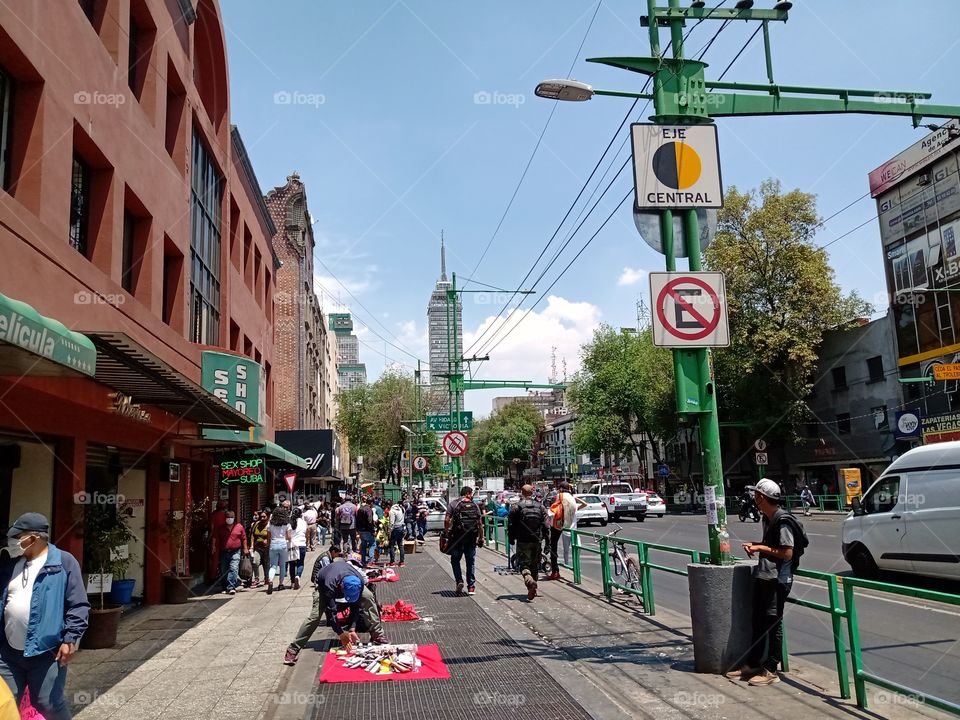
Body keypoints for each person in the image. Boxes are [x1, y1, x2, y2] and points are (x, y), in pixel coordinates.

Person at [0, 513, 89, 719]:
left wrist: (71, 639)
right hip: (8, 652)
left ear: (34, 537)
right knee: (5, 702)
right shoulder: (10, 564)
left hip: (47, 652)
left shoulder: (64, 563)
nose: (13, 542)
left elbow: (78, 604)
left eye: (18, 537)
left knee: (48, 704)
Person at [726, 478, 796, 686]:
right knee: (758, 620)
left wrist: (759, 548)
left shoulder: (782, 520)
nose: (754, 499)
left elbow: (787, 552)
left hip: (779, 579)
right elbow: (770, 545)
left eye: (756, 496)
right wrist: (756, 545)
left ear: (761, 498)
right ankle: (753, 663)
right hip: (766, 575)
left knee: (773, 623)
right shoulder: (767, 518)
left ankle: (771, 669)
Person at [283, 552, 387, 666]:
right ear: (342, 586)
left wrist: (352, 629)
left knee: (368, 597)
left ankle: (377, 634)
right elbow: (331, 613)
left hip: (345, 578)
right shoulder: (330, 584)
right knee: (315, 617)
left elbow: (355, 606)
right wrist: (341, 634)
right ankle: (293, 649)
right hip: (323, 585)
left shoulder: (359, 582)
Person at [509, 485, 547, 601]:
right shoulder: (540, 507)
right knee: (535, 565)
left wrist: (511, 538)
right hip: (537, 540)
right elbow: (546, 526)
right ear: (532, 492)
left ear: (522, 493)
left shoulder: (516, 507)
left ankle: (529, 580)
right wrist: (548, 543)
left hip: (522, 540)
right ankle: (534, 587)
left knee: (523, 564)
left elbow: (511, 525)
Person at [444, 486, 483, 596]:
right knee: (470, 561)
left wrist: (447, 532)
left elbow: (447, 520)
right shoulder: (475, 505)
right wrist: (481, 538)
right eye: (471, 494)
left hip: (457, 538)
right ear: (468, 493)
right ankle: (471, 587)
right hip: (471, 539)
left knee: (455, 560)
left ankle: (459, 581)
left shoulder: (453, 504)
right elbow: (480, 524)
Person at [546, 482, 584, 581]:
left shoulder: (560, 495)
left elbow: (556, 508)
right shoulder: (572, 498)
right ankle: (576, 571)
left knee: (553, 546)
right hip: (569, 525)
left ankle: (555, 571)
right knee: (574, 548)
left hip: (558, 524)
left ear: (561, 489)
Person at [215, 509, 249, 595]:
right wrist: (214, 548)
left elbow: (244, 538)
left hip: (235, 551)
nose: (229, 519)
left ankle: (231, 587)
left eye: (231, 517)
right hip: (224, 551)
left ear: (234, 518)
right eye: (228, 517)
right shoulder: (220, 528)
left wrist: (245, 548)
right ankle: (225, 586)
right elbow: (216, 539)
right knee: (224, 570)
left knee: (233, 568)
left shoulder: (239, 527)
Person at [265, 506, 292, 595]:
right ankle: (281, 584)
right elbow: (289, 537)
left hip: (273, 544)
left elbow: (268, 536)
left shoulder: (270, 524)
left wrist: (268, 544)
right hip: (283, 544)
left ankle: (270, 580)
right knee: (282, 565)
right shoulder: (286, 524)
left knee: (273, 565)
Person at [288, 508, 308, 590]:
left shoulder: (289, 522)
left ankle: (292, 582)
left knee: (292, 564)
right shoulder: (304, 523)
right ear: (301, 514)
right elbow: (306, 533)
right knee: (300, 563)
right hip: (302, 544)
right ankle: (298, 576)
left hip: (292, 545)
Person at [251, 510, 270, 589]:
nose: (262, 518)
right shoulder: (255, 525)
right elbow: (252, 536)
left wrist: (268, 540)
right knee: (255, 562)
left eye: (264, 517)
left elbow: (273, 535)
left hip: (267, 548)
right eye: (261, 516)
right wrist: (251, 546)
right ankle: (256, 578)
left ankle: (266, 578)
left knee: (266, 564)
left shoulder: (269, 526)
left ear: (268, 517)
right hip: (257, 547)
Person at [356, 497, 377, 568]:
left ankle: (363, 561)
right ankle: (370, 562)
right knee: (373, 544)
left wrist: (358, 530)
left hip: (361, 530)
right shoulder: (369, 510)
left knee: (363, 545)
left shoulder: (360, 509)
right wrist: (373, 531)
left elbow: (357, 520)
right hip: (367, 530)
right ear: (371, 503)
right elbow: (369, 521)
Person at [386, 499, 406, 567]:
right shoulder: (401, 508)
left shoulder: (392, 511)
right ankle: (402, 562)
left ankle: (392, 562)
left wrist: (389, 532)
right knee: (401, 545)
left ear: (389, 506)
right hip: (402, 528)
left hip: (395, 529)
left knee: (392, 545)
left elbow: (391, 523)